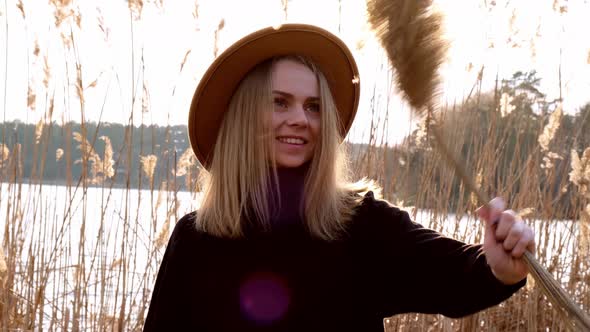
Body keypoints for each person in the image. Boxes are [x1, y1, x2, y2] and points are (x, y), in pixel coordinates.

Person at [143, 24, 535, 331]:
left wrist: (499, 266)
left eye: (314, 107)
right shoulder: (197, 239)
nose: (300, 118)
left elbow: (457, 278)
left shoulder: (360, 223)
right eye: (280, 102)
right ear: (245, 114)